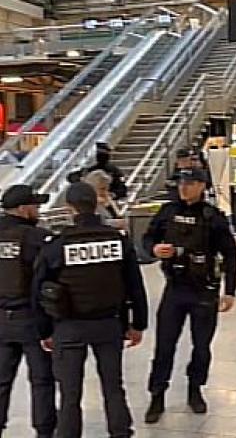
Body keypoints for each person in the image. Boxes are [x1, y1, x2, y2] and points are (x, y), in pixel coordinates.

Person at [33, 182, 148, 438]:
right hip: (109, 324)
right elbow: (134, 285)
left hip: (69, 327)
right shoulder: (117, 241)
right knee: (113, 387)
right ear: (96, 203)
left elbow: (38, 291)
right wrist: (138, 324)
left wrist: (44, 331)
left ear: (69, 208)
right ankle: (120, 433)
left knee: (70, 393)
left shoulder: (57, 245)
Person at [143, 168, 236, 422]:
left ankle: (195, 389)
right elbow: (147, 238)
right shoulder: (168, 212)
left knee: (201, 346)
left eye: (190, 183)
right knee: (164, 345)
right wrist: (154, 248)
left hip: (204, 290)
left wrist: (230, 291)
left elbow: (231, 254)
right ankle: (157, 394)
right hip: (175, 288)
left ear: (202, 186)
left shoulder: (213, 217)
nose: (184, 188)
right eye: (181, 183)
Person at [0, 185, 56, 438]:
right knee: (42, 380)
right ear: (23, 209)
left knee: (1, 382)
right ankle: (44, 432)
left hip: (1, 320)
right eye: (35, 205)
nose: (38, 209)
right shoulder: (37, 238)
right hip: (31, 319)